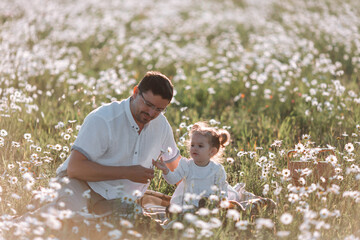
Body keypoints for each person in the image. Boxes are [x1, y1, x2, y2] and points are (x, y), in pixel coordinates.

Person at [22, 71, 181, 219]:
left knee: (135, 225)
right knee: (70, 223)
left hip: (117, 197)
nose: (152, 113)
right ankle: (15, 226)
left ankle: (48, 201)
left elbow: (177, 166)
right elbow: (75, 168)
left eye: (159, 109)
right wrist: (127, 173)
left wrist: (195, 195)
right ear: (135, 92)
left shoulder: (161, 125)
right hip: (80, 184)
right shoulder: (104, 119)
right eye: (148, 104)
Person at [153, 121, 232, 210]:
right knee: (181, 209)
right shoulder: (186, 165)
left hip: (208, 204)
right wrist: (166, 171)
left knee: (208, 205)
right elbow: (173, 179)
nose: (194, 148)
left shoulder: (217, 170)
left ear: (212, 151)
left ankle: (203, 207)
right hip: (187, 203)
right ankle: (176, 212)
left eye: (200, 146)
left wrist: (222, 202)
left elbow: (222, 189)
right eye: (192, 145)